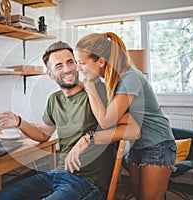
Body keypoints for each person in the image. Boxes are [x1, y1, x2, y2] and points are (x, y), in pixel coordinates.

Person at [0, 41, 140, 200]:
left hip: (88, 182)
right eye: (59, 66)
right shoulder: (55, 99)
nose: (67, 69)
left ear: (76, 64)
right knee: (2, 197)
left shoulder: (97, 92)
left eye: (70, 62)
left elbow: (133, 129)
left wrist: (90, 138)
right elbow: (43, 134)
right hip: (58, 174)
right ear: (50, 74)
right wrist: (19, 122)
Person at [75, 32, 176, 200]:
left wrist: (90, 87)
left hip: (158, 145)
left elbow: (107, 120)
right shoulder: (112, 80)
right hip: (137, 146)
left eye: (82, 63)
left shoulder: (130, 77)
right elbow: (119, 118)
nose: (79, 68)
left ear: (100, 62)